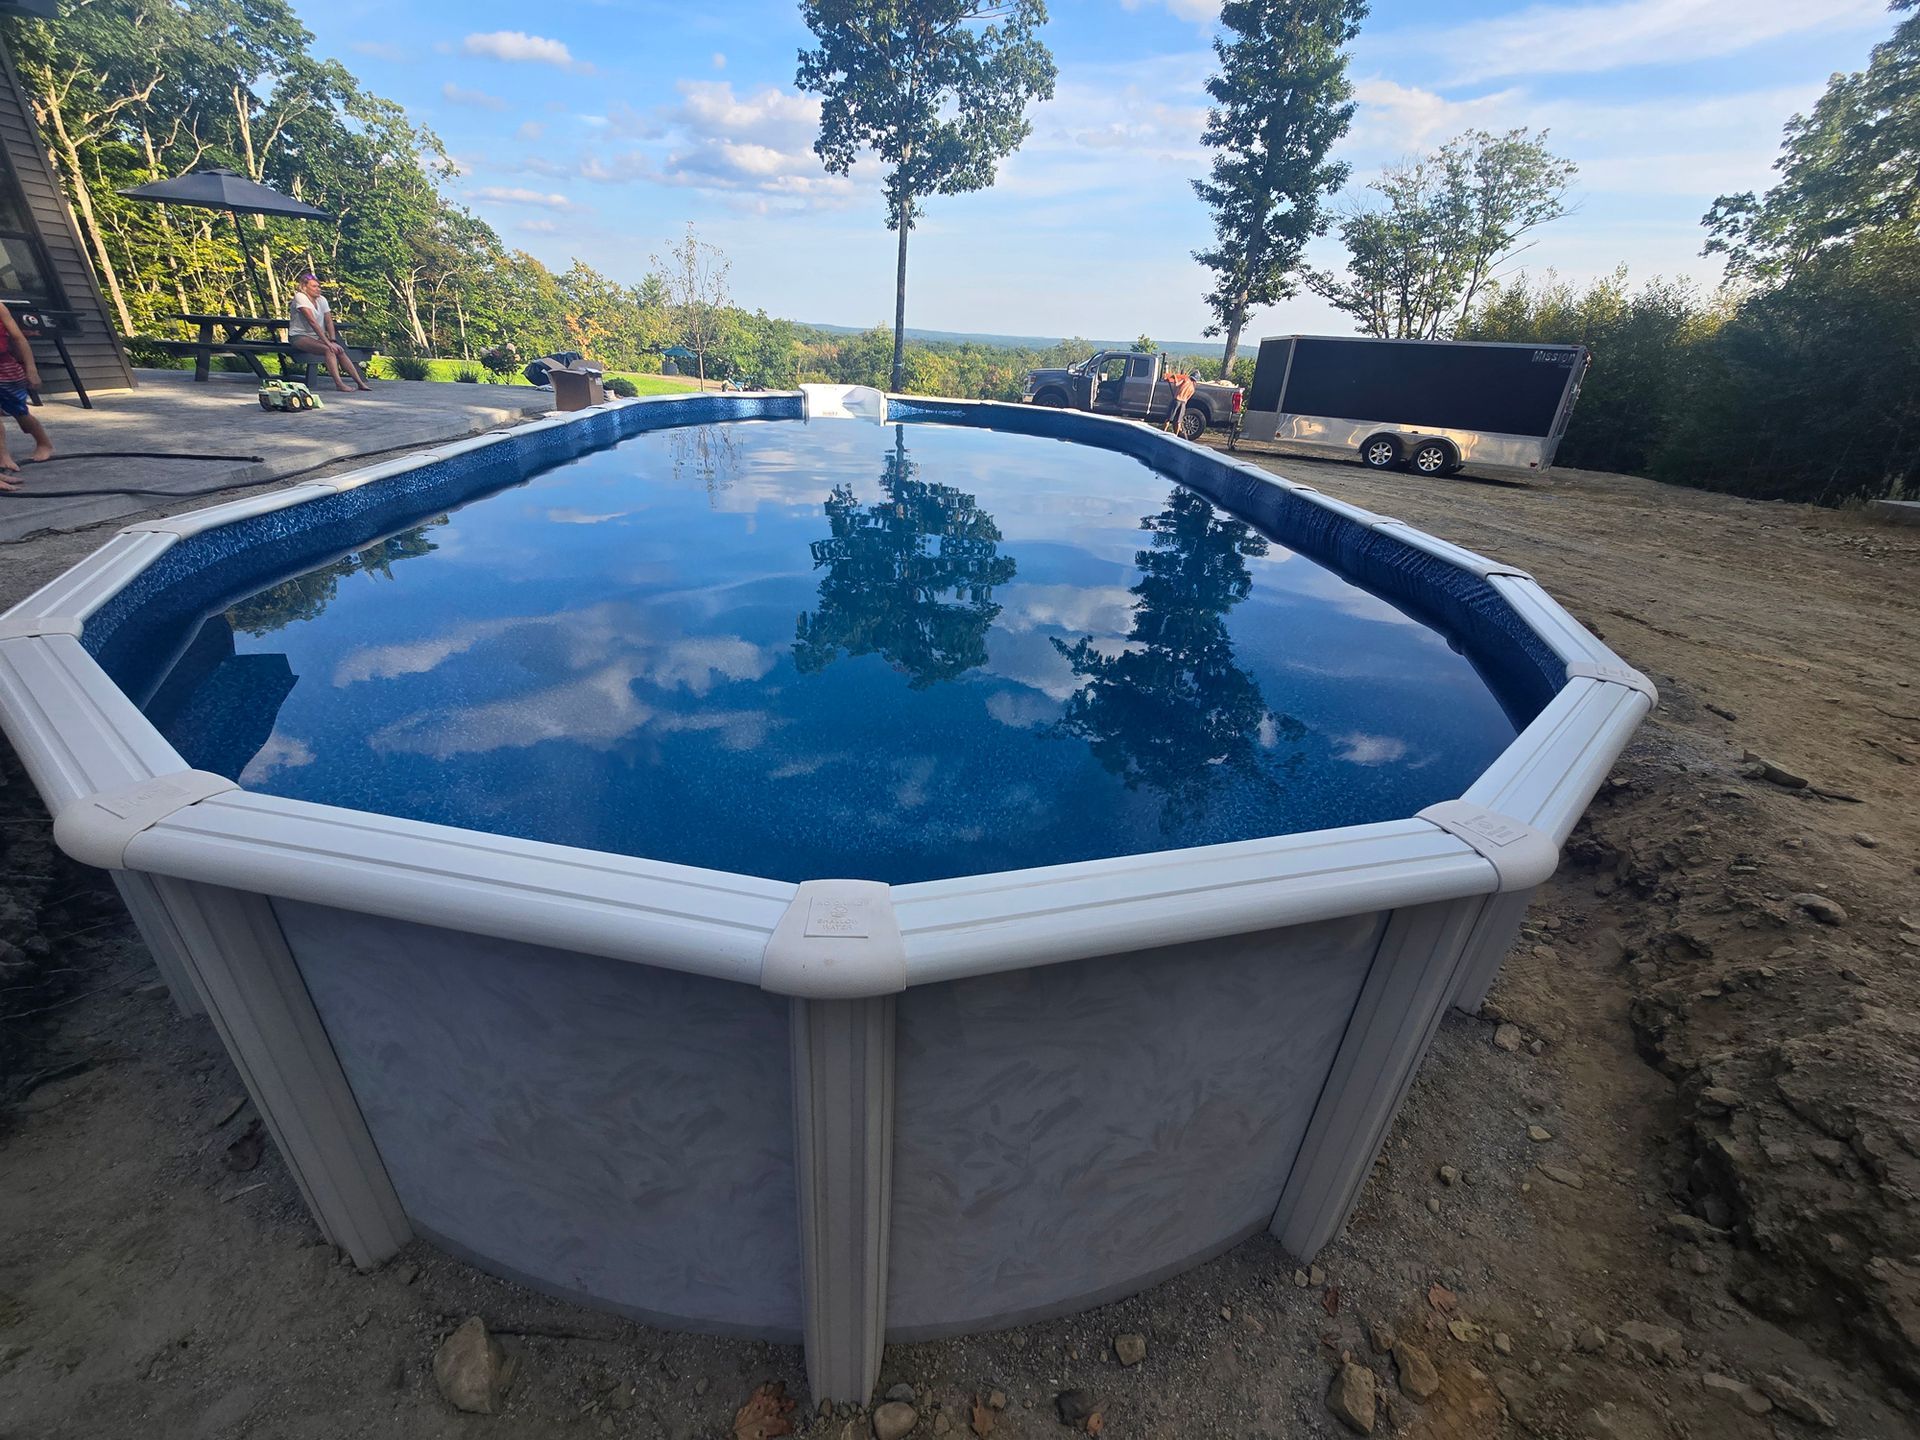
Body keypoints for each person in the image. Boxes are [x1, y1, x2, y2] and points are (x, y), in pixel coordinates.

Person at [0, 301, 54, 490]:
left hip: (5, 368)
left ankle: (44, 443)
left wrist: (31, 369)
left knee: (21, 413)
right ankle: (3, 457)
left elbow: (19, 339)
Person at [289, 273, 370, 392]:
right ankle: (339, 384)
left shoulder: (322, 300)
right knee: (329, 350)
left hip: (317, 337)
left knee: (339, 350)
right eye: (314, 286)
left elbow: (329, 321)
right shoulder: (300, 297)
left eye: (318, 286)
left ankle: (360, 382)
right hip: (299, 336)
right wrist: (328, 343)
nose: (318, 289)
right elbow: (312, 321)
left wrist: (332, 340)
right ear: (304, 287)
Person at [1162, 365, 1197, 435]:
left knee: (1168, 418)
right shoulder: (1193, 388)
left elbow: (1177, 385)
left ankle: (1163, 432)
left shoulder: (1185, 380)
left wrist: (1175, 378)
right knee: (1178, 421)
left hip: (1177, 400)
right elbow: (1187, 399)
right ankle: (1176, 436)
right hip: (1183, 403)